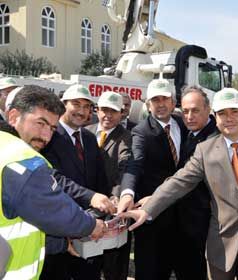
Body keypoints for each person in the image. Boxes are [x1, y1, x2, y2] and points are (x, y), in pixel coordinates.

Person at [120, 87, 238, 280]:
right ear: (215, 117)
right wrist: (148, 209)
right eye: (222, 113)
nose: (229, 118)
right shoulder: (205, 150)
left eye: (234, 111)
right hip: (221, 244)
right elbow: (178, 182)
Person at [5, 86, 115, 279]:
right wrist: (92, 225)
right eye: (40, 123)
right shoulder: (21, 160)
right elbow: (53, 207)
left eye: (52, 128)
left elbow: (21, 226)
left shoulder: (6, 145)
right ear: (13, 116)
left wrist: (62, 244)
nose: (46, 136)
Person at [119, 78, 188, 280]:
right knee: (150, 270)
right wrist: (127, 192)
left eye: (164, 99)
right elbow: (135, 163)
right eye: (155, 100)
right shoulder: (141, 131)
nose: (160, 104)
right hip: (152, 217)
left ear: (173, 102)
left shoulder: (183, 125)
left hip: (182, 215)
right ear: (148, 105)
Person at [41, 84, 109, 280]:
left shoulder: (88, 137)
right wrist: (91, 196)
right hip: (59, 227)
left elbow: (98, 176)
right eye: (76, 104)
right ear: (63, 105)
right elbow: (54, 178)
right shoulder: (49, 136)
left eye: (87, 106)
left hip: (90, 226)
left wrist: (108, 198)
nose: (81, 110)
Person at [86, 91, 132, 280]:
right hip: (86, 205)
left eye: (113, 111)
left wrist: (116, 194)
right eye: (104, 110)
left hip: (112, 208)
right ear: (97, 110)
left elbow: (125, 164)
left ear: (121, 113)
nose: (108, 115)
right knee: (88, 263)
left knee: (113, 265)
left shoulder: (126, 136)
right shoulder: (86, 132)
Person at [174, 86, 218, 280]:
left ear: (208, 109)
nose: (189, 116)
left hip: (203, 227)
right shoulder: (186, 132)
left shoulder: (215, 139)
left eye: (195, 110)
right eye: (185, 111)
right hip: (183, 225)